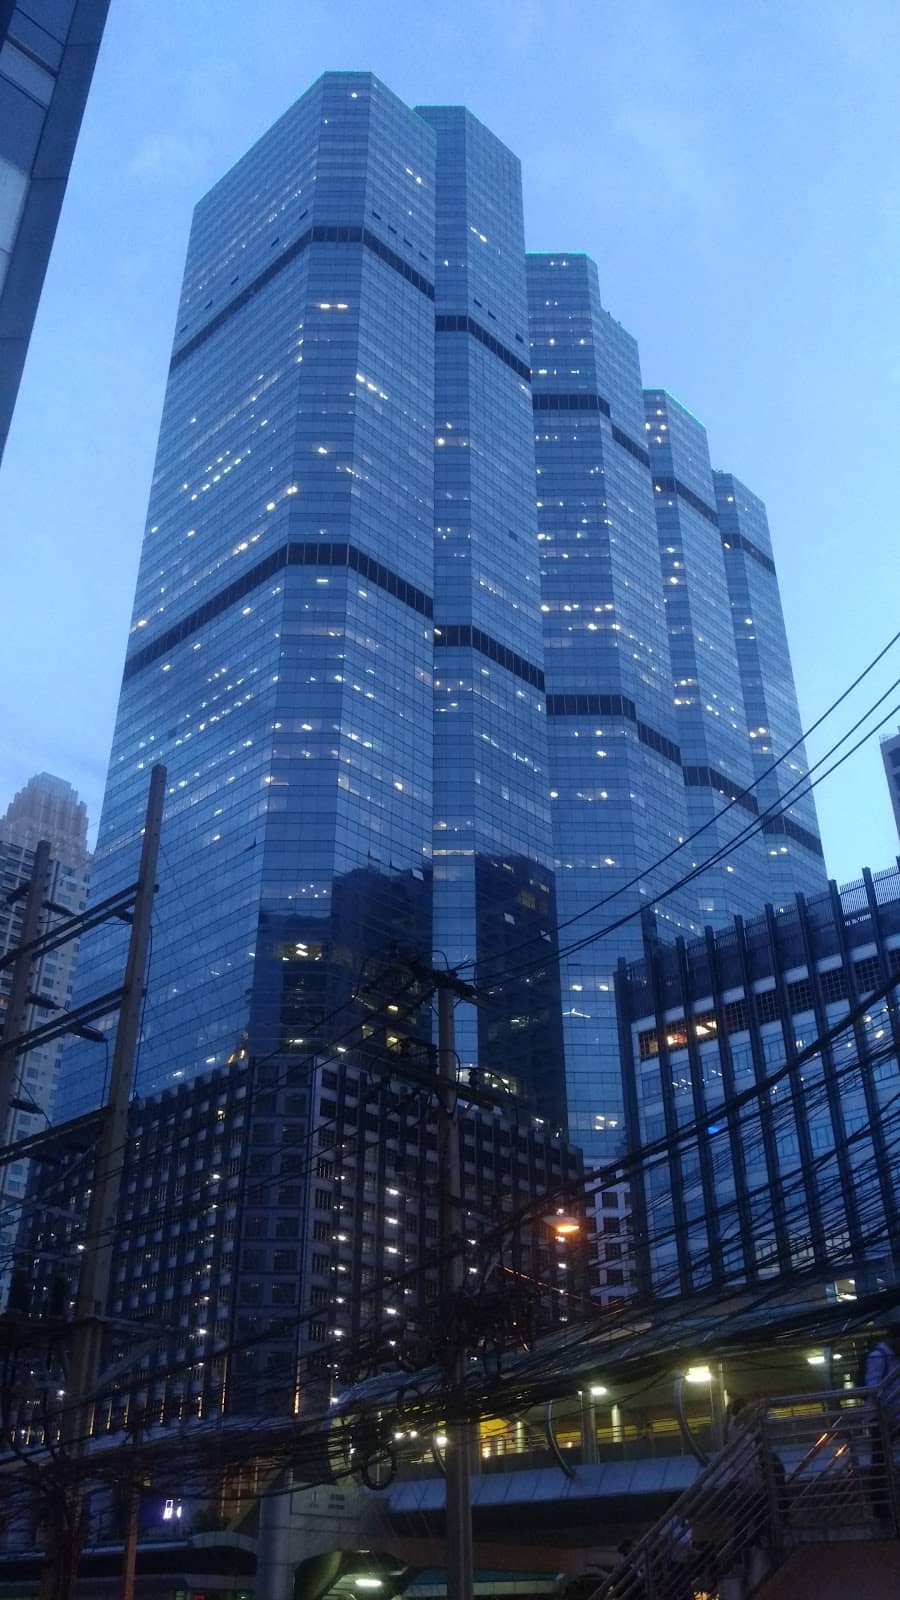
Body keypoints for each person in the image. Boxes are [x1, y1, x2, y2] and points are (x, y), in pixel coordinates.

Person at [864, 1322, 900, 1523]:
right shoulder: (879, 1356)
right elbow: (874, 1387)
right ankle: (880, 1507)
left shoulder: (890, 1356)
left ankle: (883, 1506)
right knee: (880, 1461)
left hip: (893, 1416)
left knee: (881, 1461)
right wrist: (887, 1413)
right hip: (883, 1418)